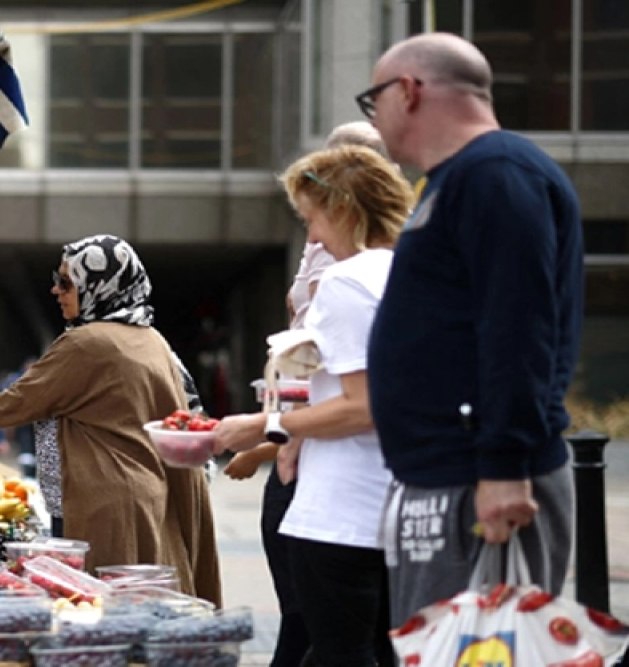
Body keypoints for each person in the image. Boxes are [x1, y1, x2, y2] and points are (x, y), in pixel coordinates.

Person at [363, 33, 582, 625]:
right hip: (448, 474)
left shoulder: (497, 175)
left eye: (373, 100)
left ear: (408, 91)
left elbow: (519, 325)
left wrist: (503, 465)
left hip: (479, 480)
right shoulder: (464, 179)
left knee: (483, 651)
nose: (374, 119)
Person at [0, 235, 222, 604]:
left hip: (103, 501)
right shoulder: (148, 337)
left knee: (100, 614)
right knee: (134, 613)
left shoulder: (88, 343)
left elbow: (6, 408)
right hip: (139, 494)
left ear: (98, 286)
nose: (55, 290)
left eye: (66, 282)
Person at [214, 146, 413, 666]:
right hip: (399, 504)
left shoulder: (346, 282)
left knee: (335, 652)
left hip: (340, 512)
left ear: (344, 208)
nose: (313, 239)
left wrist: (262, 425)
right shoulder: (418, 273)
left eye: (312, 219)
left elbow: (361, 407)